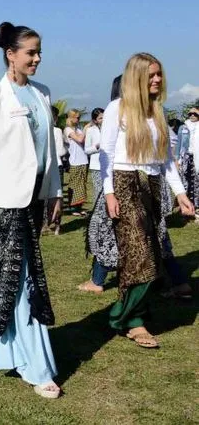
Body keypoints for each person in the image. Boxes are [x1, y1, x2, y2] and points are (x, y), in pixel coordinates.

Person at [0, 22, 63, 399]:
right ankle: (36, 365)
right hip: (3, 203)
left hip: (34, 200)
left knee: (16, 277)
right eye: (30, 53)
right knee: (21, 280)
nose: (37, 59)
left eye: (39, 53)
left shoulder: (42, 94)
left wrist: (54, 193)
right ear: (11, 54)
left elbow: (48, 154)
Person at [99, 53, 194, 349]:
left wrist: (180, 193)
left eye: (159, 74)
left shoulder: (158, 111)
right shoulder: (118, 109)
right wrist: (109, 193)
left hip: (152, 185)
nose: (157, 79)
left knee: (151, 251)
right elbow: (107, 155)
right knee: (138, 253)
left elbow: (165, 160)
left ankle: (130, 314)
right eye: (151, 75)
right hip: (125, 183)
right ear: (137, 77)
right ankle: (129, 319)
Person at [64, 110, 88, 216]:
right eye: (76, 117)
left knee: (82, 185)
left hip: (83, 159)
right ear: (71, 118)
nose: (78, 119)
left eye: (79, 117)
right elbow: (79, 139)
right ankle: (73, 207)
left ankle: (79, 206)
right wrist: (86, 129)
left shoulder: (78, 129)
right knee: (74, 184)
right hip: (75, 161)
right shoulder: (68, 129)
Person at [84, 108, 105, 200]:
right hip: (96, 166)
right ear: (95, 120)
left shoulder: (110, 129)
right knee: (98, 191)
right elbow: (87, 150)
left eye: (104, 117)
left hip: (109, 165)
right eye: (100, 118)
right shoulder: (90, 130)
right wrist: (96, 147)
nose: (103, 120)